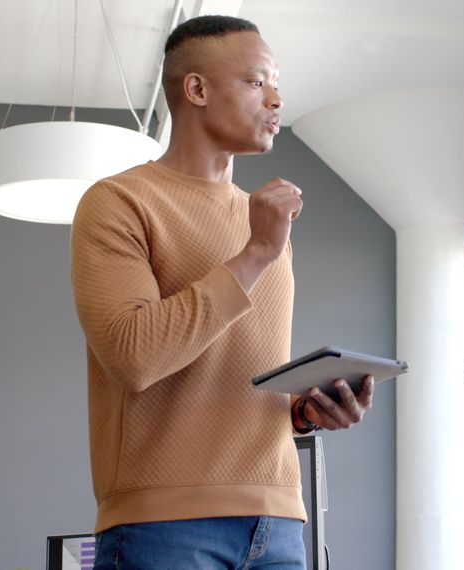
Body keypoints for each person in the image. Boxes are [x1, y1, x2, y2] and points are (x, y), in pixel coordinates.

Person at [70, 15, 374, 569]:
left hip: (279, 522)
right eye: (258, 82)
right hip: (163, 527)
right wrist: (256, 252)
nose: (277, 99)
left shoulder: (265, 221)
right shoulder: (118, 203)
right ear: (197, 90)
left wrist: (305, 410)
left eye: (277, 83)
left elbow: (235, 371)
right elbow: (134, 357)